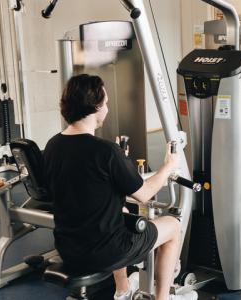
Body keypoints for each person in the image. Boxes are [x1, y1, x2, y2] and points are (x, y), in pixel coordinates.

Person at [43, 74, 194, 300]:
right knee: (172, 226)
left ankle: (122, 291)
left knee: (121, 214)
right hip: (105, 251)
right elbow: (144, 194)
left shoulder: (53, 145)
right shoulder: (105, 151)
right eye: (106, 102)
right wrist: (167, 167)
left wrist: (118, 163)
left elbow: (85, 186)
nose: (108, 108)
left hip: (69, 248)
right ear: (95, 106)